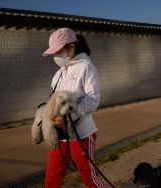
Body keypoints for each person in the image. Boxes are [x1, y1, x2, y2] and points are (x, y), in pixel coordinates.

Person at [42, 28, 105, 188]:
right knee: (52, 178)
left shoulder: (86, 66)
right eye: (54, 53)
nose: (56, 56)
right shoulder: (59, 73)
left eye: (58, 51)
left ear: (71, 47)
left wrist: (70, 116)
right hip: (60, 135)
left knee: (88, 175)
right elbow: (55, 100)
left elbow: (93, 100)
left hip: (81, 134)